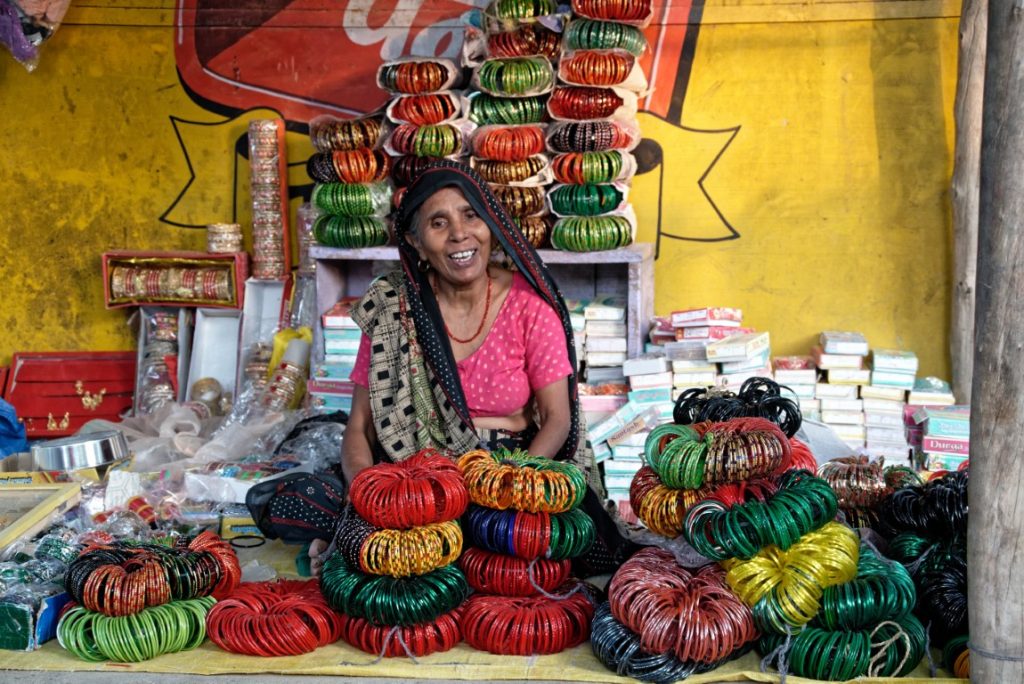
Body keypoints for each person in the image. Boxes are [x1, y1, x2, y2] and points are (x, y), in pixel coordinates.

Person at [309, 160, 626, 576]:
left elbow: (557, 420)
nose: (460, 233)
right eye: (438, 223)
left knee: (527, 540)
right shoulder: (391, 308)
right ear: (416, 242)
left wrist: (510, 491)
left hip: (508, 469)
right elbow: (360, 427)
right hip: (417, 478)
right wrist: (368, 493)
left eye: (471, 215)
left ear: (490, 225)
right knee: (305, 500)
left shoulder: (530, 309)